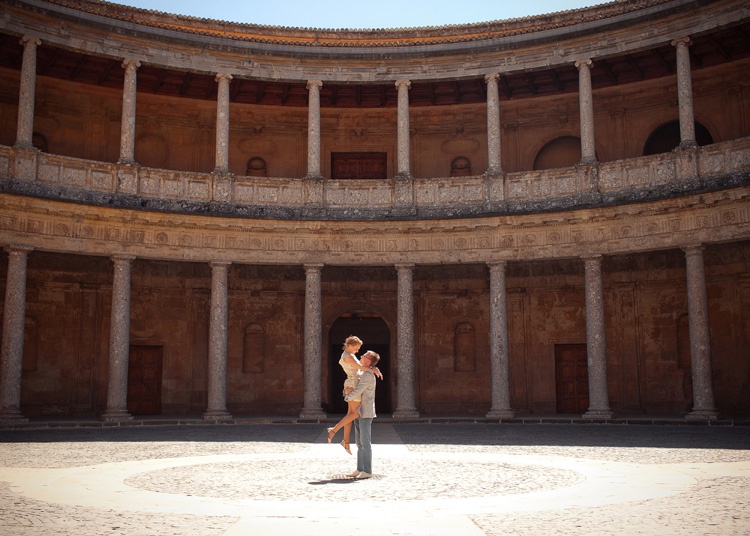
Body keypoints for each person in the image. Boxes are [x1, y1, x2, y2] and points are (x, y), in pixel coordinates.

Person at [327, 336, 381, 454]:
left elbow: (362, 367)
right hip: (352, 384)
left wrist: (374, 367)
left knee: (350, 414)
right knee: (355, 414)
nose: (357, 351)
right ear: (349, 346)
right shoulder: (347, 356)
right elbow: (360, 367)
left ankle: (346, 441)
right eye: (356, 348)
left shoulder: (350, 355)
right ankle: (333, 430)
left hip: (352, 383)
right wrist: (373, 370)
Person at [345, 350, 380, 479]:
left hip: (365, 411)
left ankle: (367, 470)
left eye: (364, 356)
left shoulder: (367, 376)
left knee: (365, 442)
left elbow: (359, 390)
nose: (361, 356)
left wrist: (347, 397)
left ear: (368, 361)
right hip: (358, 410)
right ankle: (360, 468)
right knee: (359, 442)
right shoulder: (364, 372)